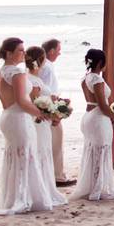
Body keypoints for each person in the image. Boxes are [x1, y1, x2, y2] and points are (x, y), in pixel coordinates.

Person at [0, 37, 53, 215]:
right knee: (24, 155)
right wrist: (41, 113)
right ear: (9, 53)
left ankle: (13, 196)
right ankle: (23, 198)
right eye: (20, 50)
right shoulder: (17, 73)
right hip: (18, 118)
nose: (24, 54)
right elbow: (22, 101)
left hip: (7, 116)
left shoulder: (1, 73)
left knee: (15, 156)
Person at [71, 48, 114, 201]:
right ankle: (97, 190)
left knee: (92, 151)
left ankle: (92, 186)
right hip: (98, 118)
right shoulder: (97, 80)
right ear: (100, 63)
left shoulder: (85, 78)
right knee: (101, 151)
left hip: (88, 116)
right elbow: (102, 104)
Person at [25, 46, 68, 206]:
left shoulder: (30, 78)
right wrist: (54, 114)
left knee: (43, 152)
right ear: (41, 61)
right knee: (42, 152)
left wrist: (57, 106)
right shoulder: (34, 81)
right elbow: (36, 104)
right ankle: (41, 190)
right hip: (40, 123)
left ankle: (42, 187)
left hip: (41, 121)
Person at [40, 38, 74, 187]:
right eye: (58, 50)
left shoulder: (46, 66)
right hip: (49, 109)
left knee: (52, 143)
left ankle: (54, 175)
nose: (60, 53)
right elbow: (44, 90)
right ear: (51, 51)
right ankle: (57, 176)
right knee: (56, 143)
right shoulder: (47, 67)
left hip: (48, 106)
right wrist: (56, 109)